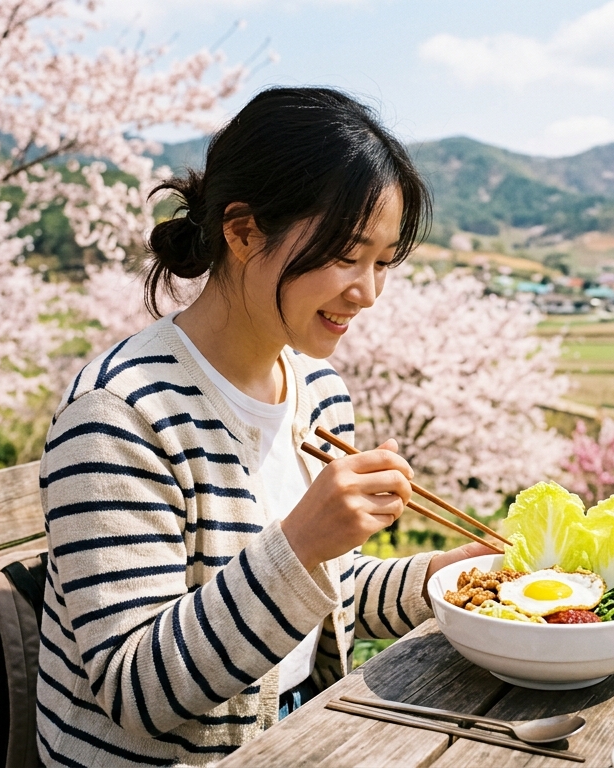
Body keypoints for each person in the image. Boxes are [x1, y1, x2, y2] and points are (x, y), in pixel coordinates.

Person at [35, 87, 490, 766]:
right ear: (243, 231)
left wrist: (442, 580)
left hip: (293, 733)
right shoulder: (121, 412)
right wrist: (303, 538)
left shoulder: (318, 392)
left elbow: (324, 589)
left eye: (383, 261)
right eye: (346, 254)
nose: (367, 291)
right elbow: (136, 691)